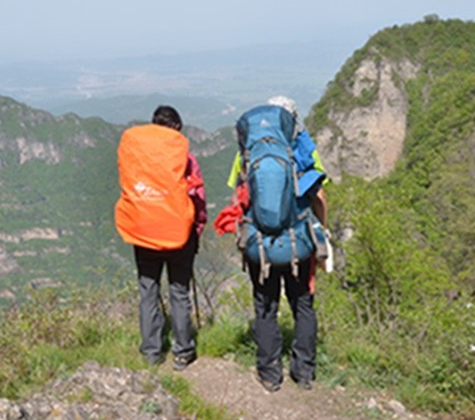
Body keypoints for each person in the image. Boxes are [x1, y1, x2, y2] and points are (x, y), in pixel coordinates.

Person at [227, 96, 326, 392]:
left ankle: (270, 372)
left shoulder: (248, 153)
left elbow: (238, 198)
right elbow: (319, 196)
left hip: (261, 245)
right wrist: (322, 229)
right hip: (298, 243)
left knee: (266, 308)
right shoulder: (303, 149)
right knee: (303, 306)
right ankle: (304, 372)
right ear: (292, 120)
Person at [119, 105, 206, 371]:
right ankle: (182, 352)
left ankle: (152, 353)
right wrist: (198, 228)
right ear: (176, 130)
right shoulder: (187, 160)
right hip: (180, 234)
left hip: (144, 232)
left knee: (148, 291)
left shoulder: (137, 158)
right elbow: (198, 198)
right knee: (179, 292)